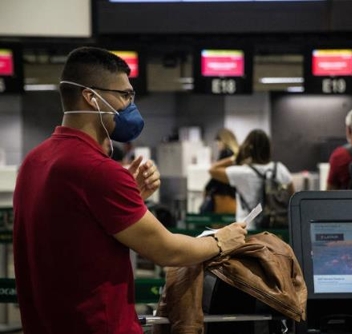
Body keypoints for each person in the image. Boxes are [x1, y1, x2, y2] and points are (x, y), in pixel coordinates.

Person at [13, 46, 247, 334]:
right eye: (124, 95)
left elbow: (74, 231)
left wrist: (128, 199)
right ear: (92, 97)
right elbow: (168, 251)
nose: (130, 105)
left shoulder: (34, 161)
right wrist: (222, 240)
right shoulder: (99, 171)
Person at [208, 129, 294, 230]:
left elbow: (212, 170)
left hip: (248, 230)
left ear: (248, 149)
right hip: (275, 229)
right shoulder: (279, 169)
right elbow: (292, 196)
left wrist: (236, 157)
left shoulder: (242, 172)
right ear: (269, 148)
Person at [200, 128, 239, 214]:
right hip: (233, 197)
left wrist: (207, 188)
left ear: (223, 141)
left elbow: (216, 175)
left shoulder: (226, 153)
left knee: (219, 224)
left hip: (222, 197)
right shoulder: (235, 155)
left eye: (218, 142)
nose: (218, 145)